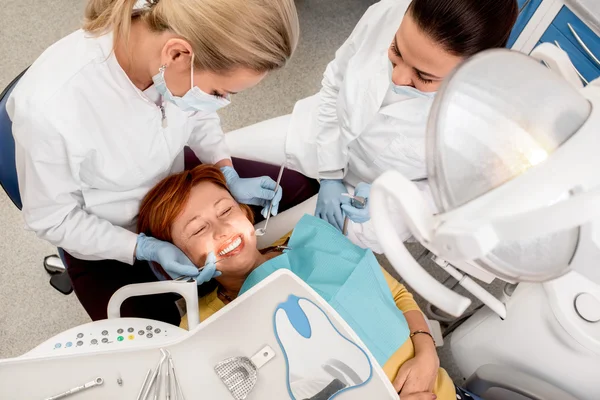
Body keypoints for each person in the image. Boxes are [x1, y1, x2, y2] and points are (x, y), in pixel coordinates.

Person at [7, 0, 309, 325]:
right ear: (177, 55)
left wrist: (225, 169)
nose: (221, 103)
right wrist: (142, 247)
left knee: (302, 190)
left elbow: (198, 112)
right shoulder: (50, 111)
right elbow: (51, 219)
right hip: (107, 228)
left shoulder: (174, 62)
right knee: (150, 337)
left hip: (177, 180)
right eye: (218, 91)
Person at [136, 164, 485, 400]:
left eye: (225, 210)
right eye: (198, 229)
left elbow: (395, 294)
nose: (222, 229)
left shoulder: (314, 239)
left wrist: (427, 355)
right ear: (177, 256)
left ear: (245, 212)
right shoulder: (201, 326)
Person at [224, 0, 518, 252]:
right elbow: (333, 85)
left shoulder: (483, 120)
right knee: (213, 156)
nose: (398, 78)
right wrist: (329, 174)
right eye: (396, 52)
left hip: (362, 200)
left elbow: (447, 195)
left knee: (258, 246)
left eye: (423, 76)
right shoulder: (389, 12)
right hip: (321, 133)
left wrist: (386, 199)